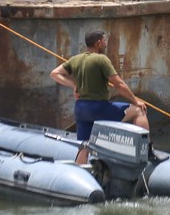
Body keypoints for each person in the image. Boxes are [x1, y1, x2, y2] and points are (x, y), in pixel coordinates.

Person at [49, 30, 148, 167]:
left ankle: (79, 171)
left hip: (81, 110)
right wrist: (135, 100)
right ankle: (146, 151)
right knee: (138, 111)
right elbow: (119, 84)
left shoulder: (75, 59)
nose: (106, 44)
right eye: (104, 41)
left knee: (84, 146)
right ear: (98, 43)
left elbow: (55, 74)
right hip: (98, 109)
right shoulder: (101, 59)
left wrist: (74, 85)